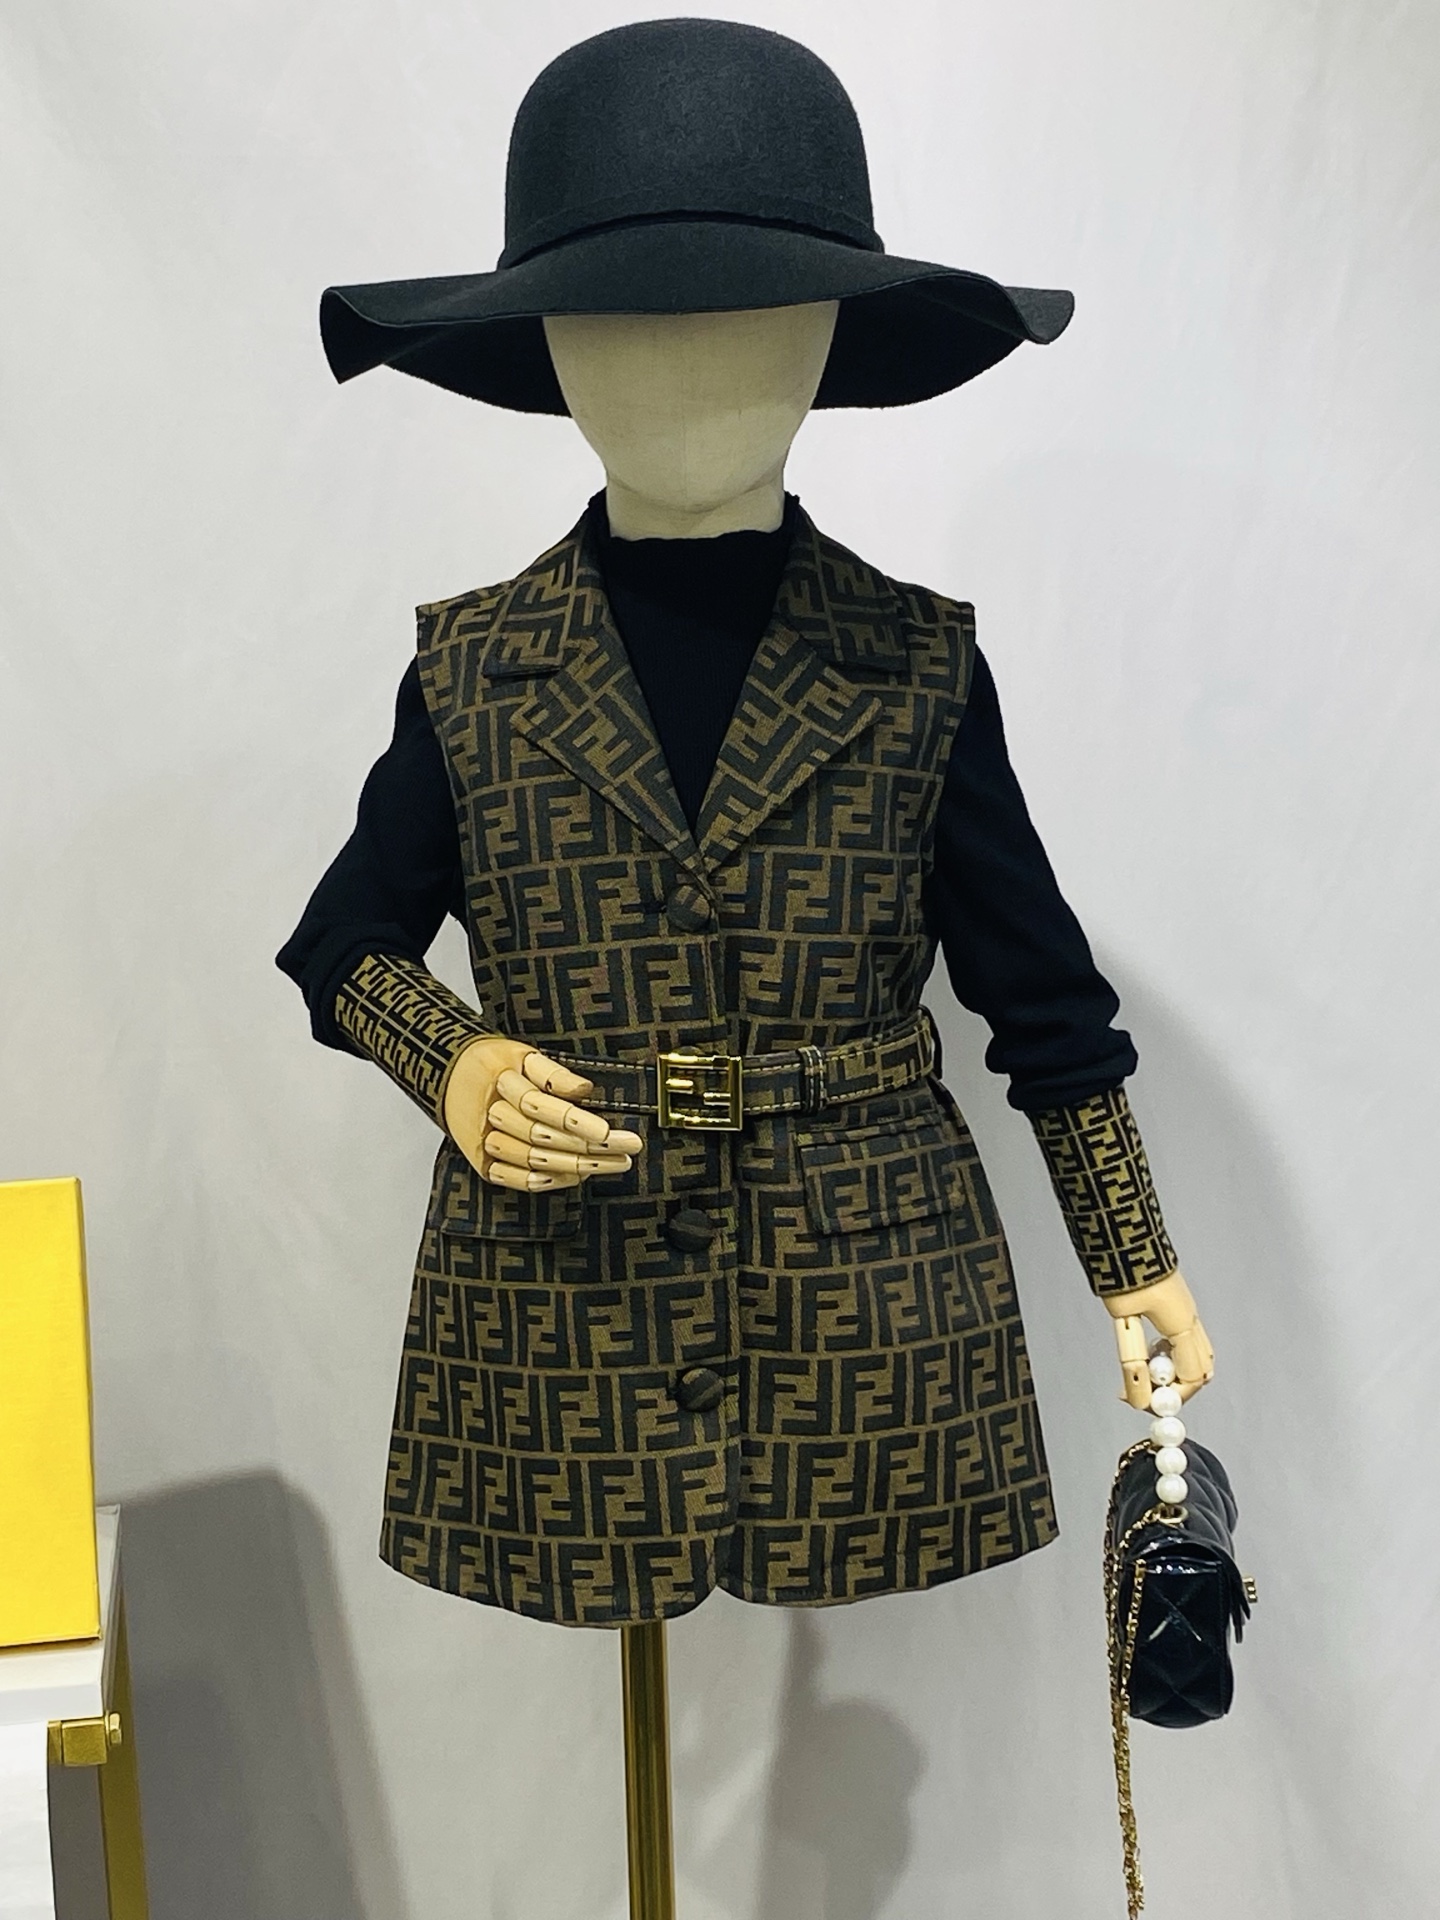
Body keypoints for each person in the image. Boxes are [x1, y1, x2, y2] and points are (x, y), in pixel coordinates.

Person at [279, 19, 1212, 1628]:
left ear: (829, 337)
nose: (683, 366)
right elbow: (341, 944)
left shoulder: (915, 664)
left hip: (864, 1299)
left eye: (746, 314)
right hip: (561, 1310)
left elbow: (1044, 1004)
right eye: (625, 321)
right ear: (551, 347)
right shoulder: (479, 666)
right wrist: (456, 1061)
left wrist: (1134, 1257)